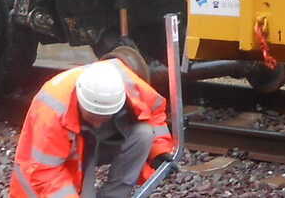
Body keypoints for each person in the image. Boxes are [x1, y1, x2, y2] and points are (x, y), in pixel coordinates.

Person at [11, 59, 174, 198]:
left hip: (97, 140)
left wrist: (159, 150)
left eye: (104, 117)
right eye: (93, 116)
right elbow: (44, 171)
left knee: (144, 134)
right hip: (67, 151)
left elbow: (154, 110)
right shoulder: (52, 112)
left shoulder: (127, 83)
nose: (97, 123)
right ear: (80, 101)